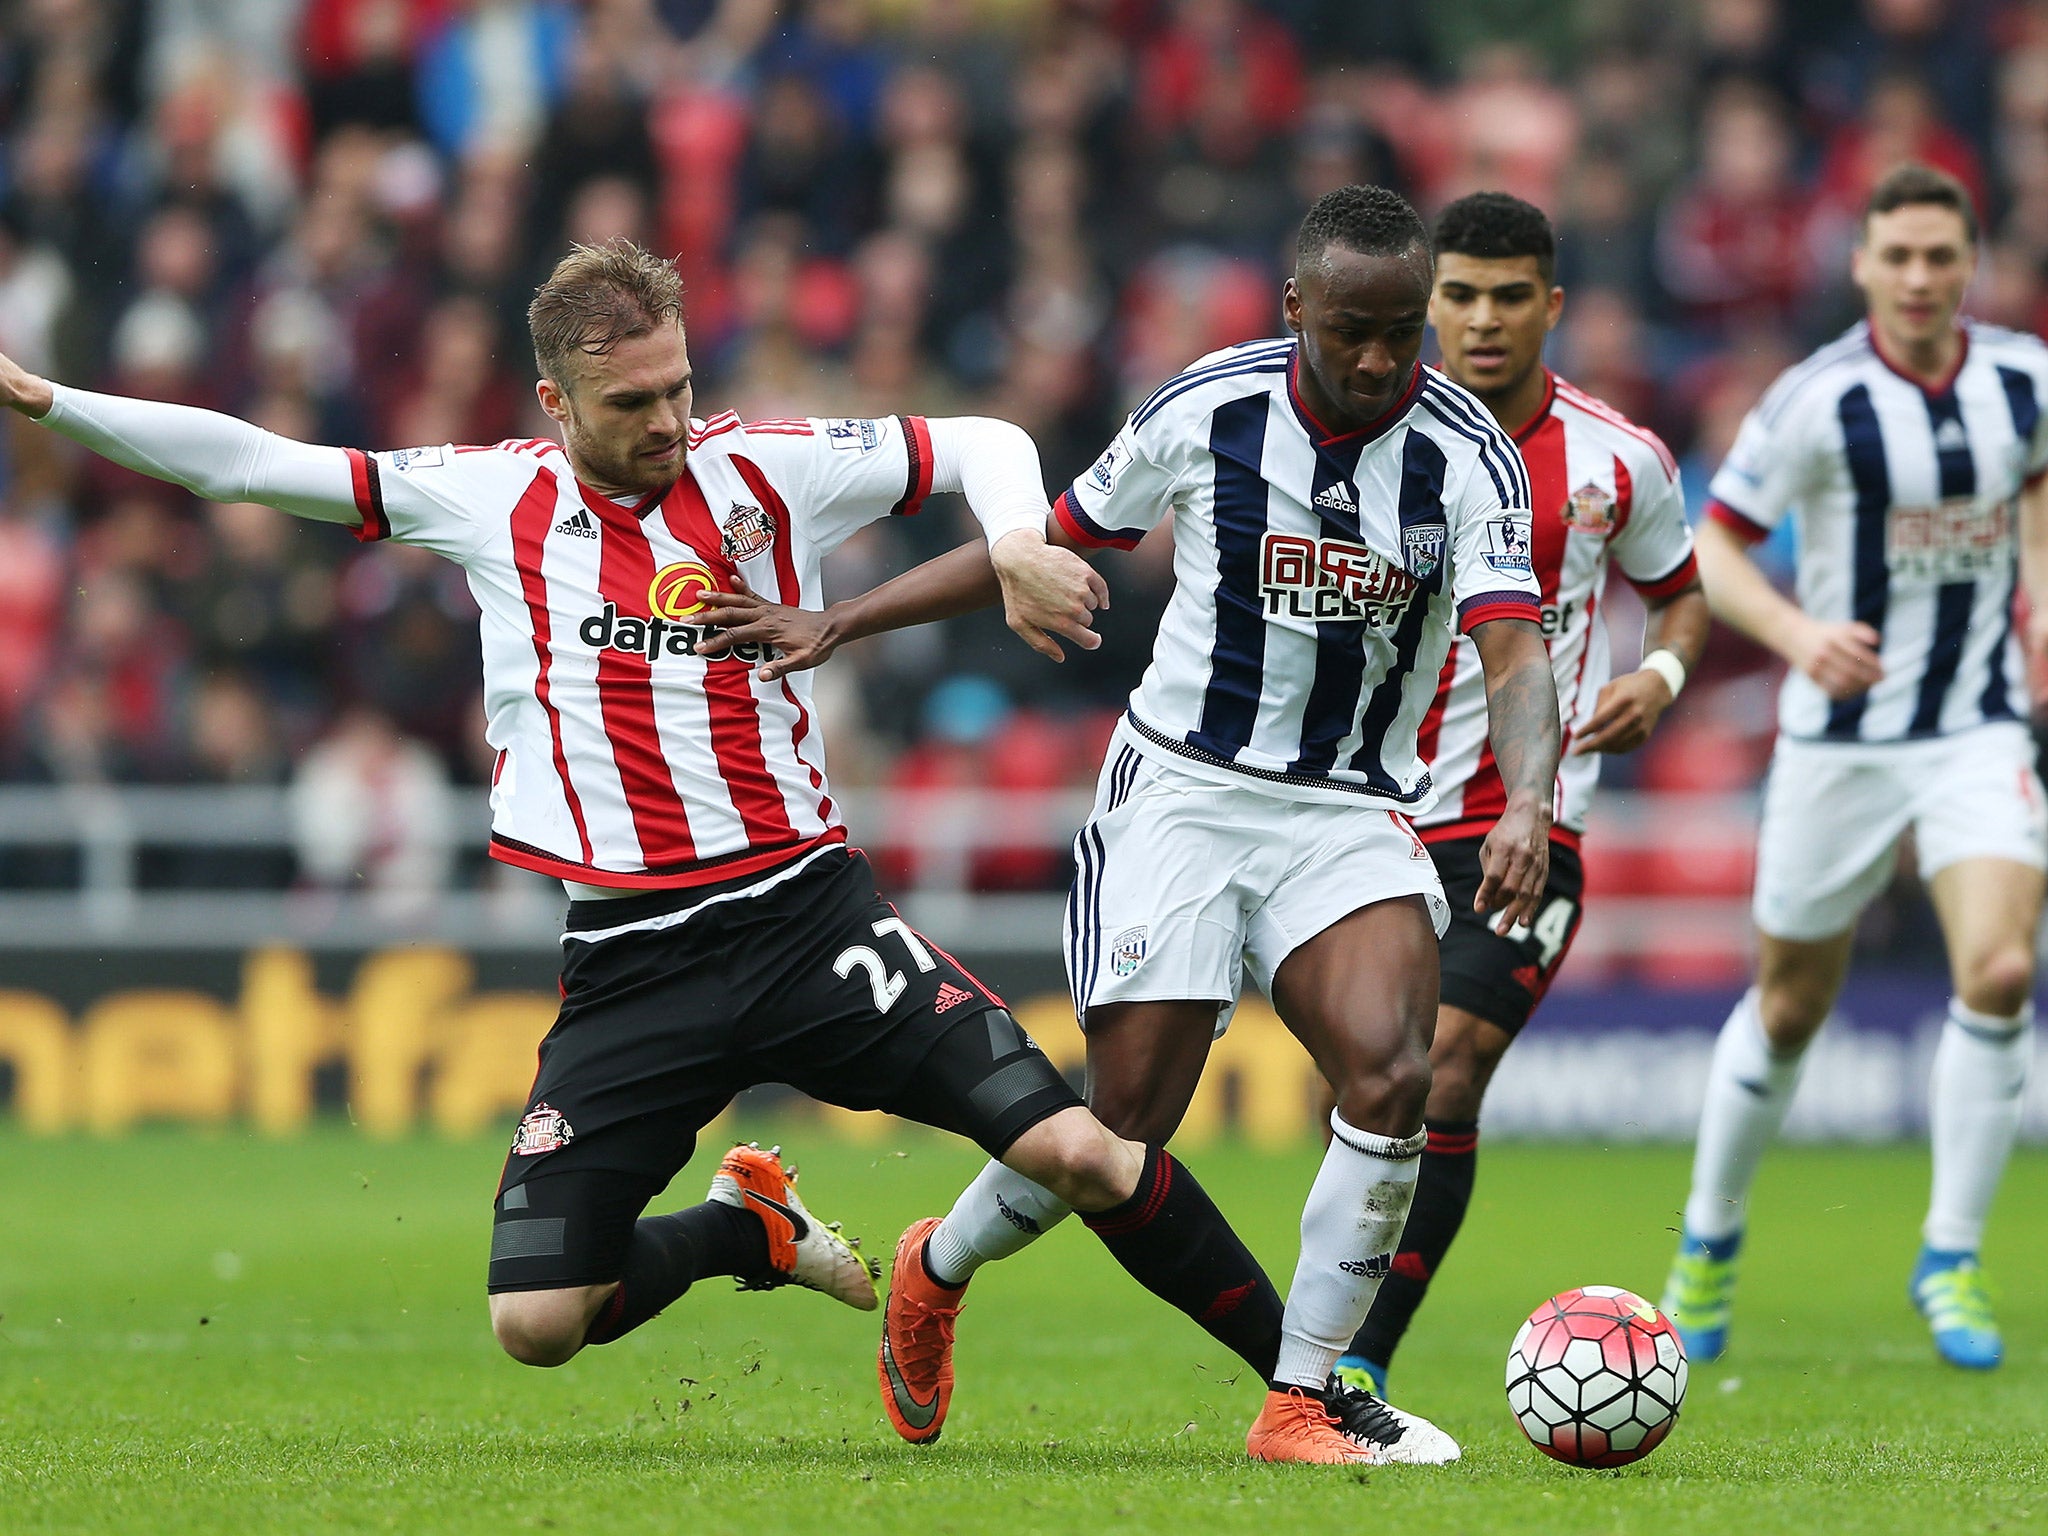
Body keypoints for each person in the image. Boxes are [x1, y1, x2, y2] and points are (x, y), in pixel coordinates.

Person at [0, 239, 1308, 1439]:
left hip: (810, 919)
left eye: (679, 387)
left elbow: (980, 436)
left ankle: (1309, 1398)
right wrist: (51, 401)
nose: (670, 422)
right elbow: (242, 461)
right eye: (632, 405)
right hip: (633, 963)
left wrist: (1016, 540)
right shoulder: (480, 498)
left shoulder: (768, 468)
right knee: (537, 1324)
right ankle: (750, 1232)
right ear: (556, 403)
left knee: (1076, 1148)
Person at [712, 185, 1561, 1463]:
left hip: (1343, 810)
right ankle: (933, 1267)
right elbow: (1045, 544)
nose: (1381, 358)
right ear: (1296, 310)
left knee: (1398, 1075)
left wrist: (1528, 800)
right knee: (1122, 1125)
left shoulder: (1465, 458)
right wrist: (842, 621)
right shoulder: (1203, 408)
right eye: (1352, 330)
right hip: (1179, 795)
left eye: (1402, 332)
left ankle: (1305, 1397)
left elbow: (1512, 655)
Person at [1319, 193, 1711, 1396]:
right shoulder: (1355, 439)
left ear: (1550, 305)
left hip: (1524, 826)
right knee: (1374, 1083)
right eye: (1458, 296)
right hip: (1362, 815)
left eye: (1506, 297)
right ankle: (1314, 1339)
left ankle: (1357, 1365)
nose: (1481, 321)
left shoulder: (1616, 458)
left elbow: (1680, 589)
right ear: (1426, 302)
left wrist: (1661, 669)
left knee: (1442, 1067)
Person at [1660, 163, 2048, 1371]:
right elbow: (1709, 549)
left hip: (1976, 724)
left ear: (1967, 264)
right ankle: (1707, 1240)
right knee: (1788, 1006)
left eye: (1942, 257)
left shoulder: (2023, 384)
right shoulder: (1813, 401)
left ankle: (1948, 1258)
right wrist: (1793, 636)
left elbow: (2033, 510)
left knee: (1994, 967)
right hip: (1836, 738)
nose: (1921, 278)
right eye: (1900, 258)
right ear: (1862, 266)